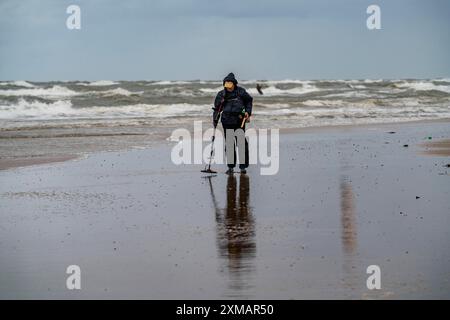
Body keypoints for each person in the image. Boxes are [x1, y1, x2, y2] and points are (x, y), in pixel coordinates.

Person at [212, 73, 253, 174]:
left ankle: (243, 167)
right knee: (230, 144)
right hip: (226, 121)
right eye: (226, 85)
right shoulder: (221, 94)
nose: (228, 88)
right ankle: (230, 167)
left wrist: (248, 111)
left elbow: (249, 100)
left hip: (240, 121)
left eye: (230, 85)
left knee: (241, 143)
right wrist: (215, 119)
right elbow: (217, 109)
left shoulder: (241, 92)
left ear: (234, 84)